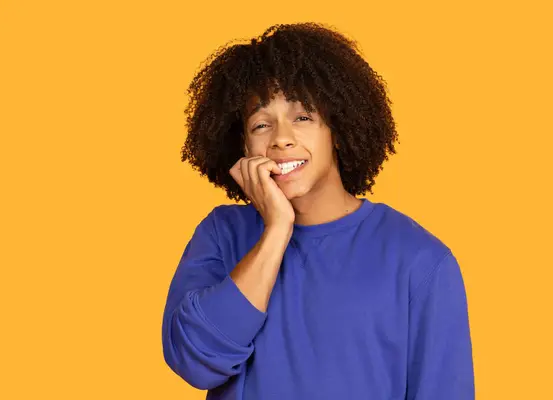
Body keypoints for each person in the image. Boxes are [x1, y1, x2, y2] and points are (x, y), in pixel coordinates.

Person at [162, 22, 475, 399]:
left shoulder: (420, 261)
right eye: (261, 124)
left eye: (303, 117)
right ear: (243, 145)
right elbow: (195, 362)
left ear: (337, 130)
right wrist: (276, 230)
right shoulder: (221, 234)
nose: (280, 138)